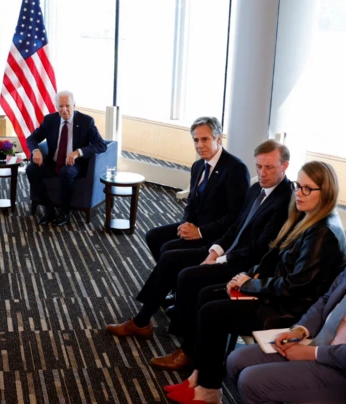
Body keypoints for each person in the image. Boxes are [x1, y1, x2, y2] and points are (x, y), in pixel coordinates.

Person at [163, 161, 346, 404]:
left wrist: (250, 285)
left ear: (327, 192)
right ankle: (199, 377)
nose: (298, 194)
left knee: (212, 312)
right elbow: (275, 256)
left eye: (307, 189)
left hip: (288, 309)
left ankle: (209, 390)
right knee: (208, 296)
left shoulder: (322, 233)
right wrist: (252, 275)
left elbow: (296, 286)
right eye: (297, 186)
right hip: (281, 297)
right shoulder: (308, 217)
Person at [106, 140, 291, 350]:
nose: (262, 173)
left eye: (269, 167)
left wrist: (220, 259)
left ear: (284, 166)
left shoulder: (284, 201)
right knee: (169, 257)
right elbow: (236, 226)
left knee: (187, 275)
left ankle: (186, 347)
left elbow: (259, 249)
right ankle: (142, 321)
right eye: (258, 166)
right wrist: (215, 251)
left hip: (245, 267)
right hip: (227, 251)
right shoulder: (257, 187)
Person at [226, 268, 346, 404]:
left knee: (250, 381)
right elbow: (326, 300)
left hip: (339, 368)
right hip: (319, 341)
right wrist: (300, 330)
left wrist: (313, 353)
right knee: (235, 360)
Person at [144, 116, 250, 262]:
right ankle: (169, 275)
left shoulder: (235, 168)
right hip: (196, 224)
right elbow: (192, 202)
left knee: (167, 249)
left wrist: (200, 232)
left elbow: (236, 216)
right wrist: (185, 223)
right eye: (196, 140)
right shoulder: (198, 166)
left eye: (205, 139)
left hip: (215, 233)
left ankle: (169, 275)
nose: (199, 145)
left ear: (218, 139)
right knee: (152, 236)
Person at [26, 90, 107, 226]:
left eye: (67, 106)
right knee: (31, 169)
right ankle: (49, 209)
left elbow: (101, 145)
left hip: (76, 164)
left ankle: (65, 212)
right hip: (54, 162)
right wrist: (35, 150)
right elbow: (31, 138)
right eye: (60, 106)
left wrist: (78, 152)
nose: (64, 110)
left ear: (74, 105)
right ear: (56, 107)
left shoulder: (86, 121)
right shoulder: (50, 120)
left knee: (66, 172)